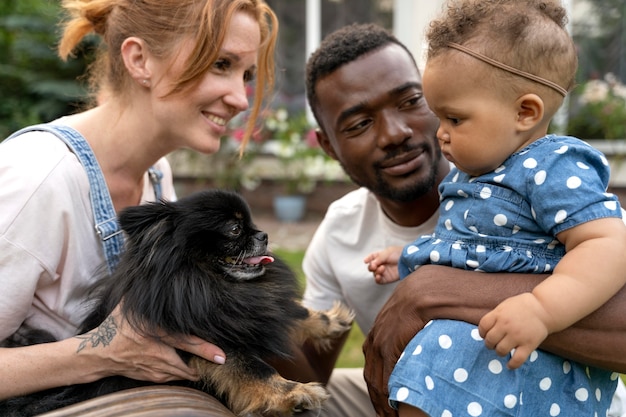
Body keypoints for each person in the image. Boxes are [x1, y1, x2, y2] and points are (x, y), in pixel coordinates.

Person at [283, 21, 626, 417]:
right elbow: (306, 380)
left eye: (412, 102)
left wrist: (432, 292)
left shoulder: (545, 178)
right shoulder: (342, 228)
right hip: (436, 384)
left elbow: (606, 261)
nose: (394, 133)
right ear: (328, 144)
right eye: (359, 123)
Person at [0, 0, 277, 406]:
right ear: (140, 59)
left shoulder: (155, 175)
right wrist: (101, 353)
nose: (240, 98)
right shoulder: (39, 179)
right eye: (221, 64)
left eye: (246, 74)